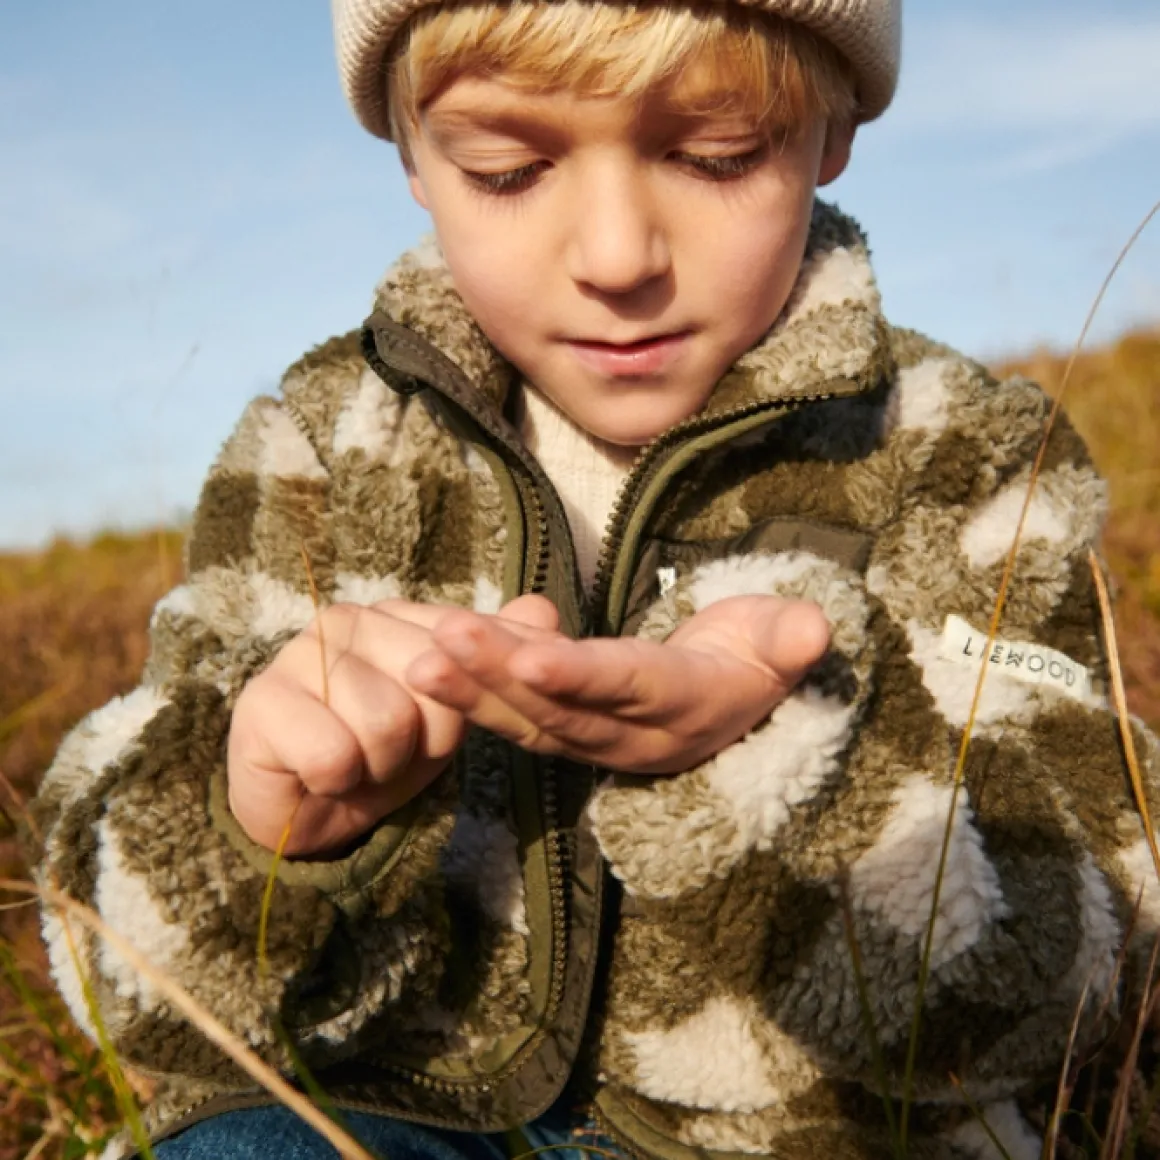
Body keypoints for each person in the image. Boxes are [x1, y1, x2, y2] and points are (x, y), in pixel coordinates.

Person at [30, 0, 1160, 1156]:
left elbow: (1099, 937)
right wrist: (261, 828)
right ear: (414, 153)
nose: (617, 257)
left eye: (714, 154)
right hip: (404, 1103)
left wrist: (782, 765)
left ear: (830, 131)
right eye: (508, 170)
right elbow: (126, 971)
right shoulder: (320, 449)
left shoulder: (956, 456)